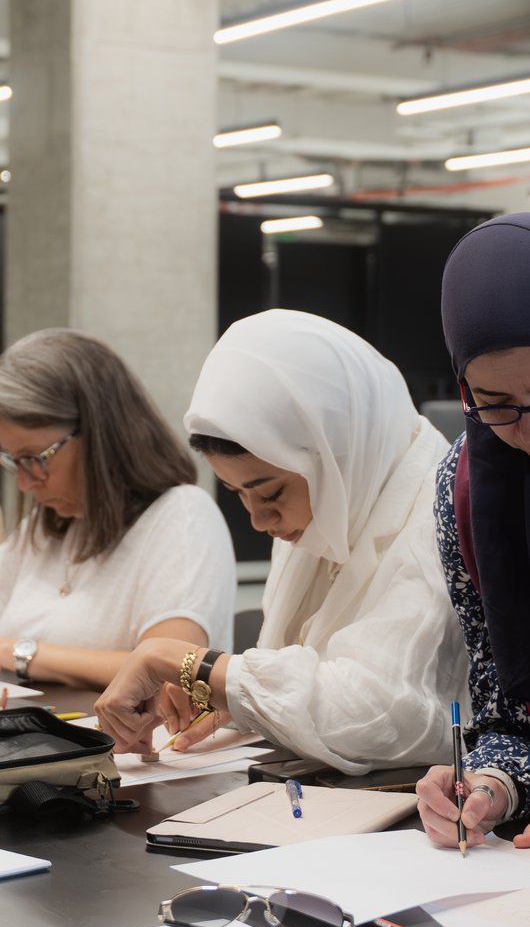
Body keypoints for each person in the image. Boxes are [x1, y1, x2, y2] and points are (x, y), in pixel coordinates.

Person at [95, 308, 469, 772]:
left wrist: (195, 666)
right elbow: (303, 673)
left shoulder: (444, 507)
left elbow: (384, 715)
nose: (259, 519)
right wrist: (235, 697)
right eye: (238, 494)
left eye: (270, 492)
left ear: (337, 452)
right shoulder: (333, 500)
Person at [0, 328, 236, 689]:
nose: (25, 483)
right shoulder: (44, 524)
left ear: (99, 436)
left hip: (125, 745)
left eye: (35, 458)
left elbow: (167, 670)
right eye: (14, 461)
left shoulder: (183, 516)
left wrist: (19, 653)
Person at [416, 212, 530, 850]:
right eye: (494, 402)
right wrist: (496, 782)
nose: (527, 430)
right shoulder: (466, 488)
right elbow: (508, 715)